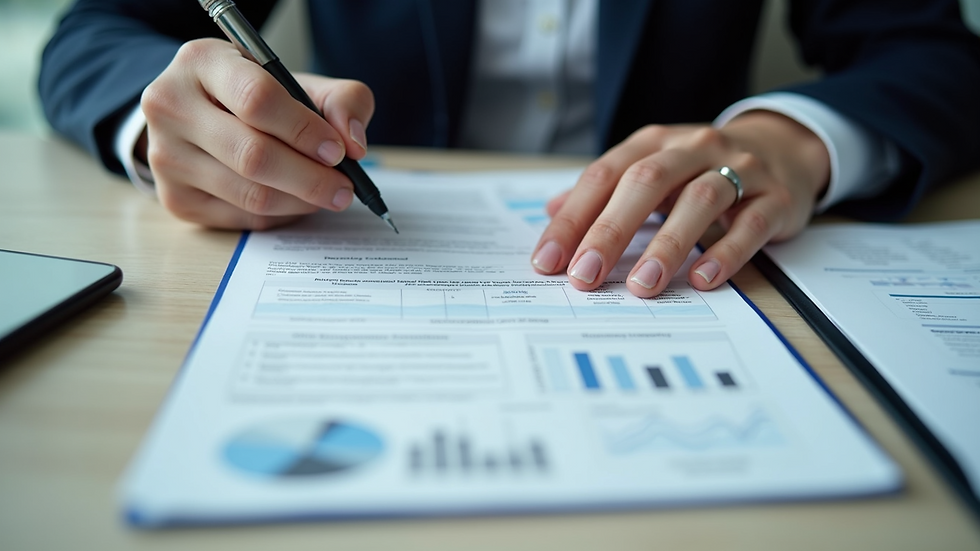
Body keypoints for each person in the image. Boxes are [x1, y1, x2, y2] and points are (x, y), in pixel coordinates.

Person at [39, 0, 980, 299]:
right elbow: (95, 32)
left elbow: (930, 50)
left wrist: (795, 139)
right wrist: (173, 119)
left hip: (702, 244)